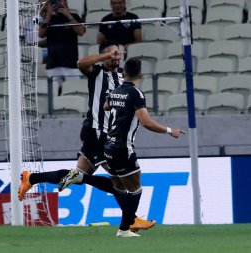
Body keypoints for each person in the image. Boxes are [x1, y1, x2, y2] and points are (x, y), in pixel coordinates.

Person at [19, 41, 155, 232]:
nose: (114, 55)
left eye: (116, 52)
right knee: (119, 181)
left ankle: (31, 178)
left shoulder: (124, 77)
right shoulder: (97, 72)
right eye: (109, 52)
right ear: (103, 55)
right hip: (98, 132)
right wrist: (106, 56)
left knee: (82, 176)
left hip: (107, 134)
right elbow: (81, 63)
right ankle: (131, 220)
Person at [59, 58, 186, 237]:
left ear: (123, 73)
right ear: (141, 75)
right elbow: (146, 122)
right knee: (136, 189)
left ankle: (81, 177)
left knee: (118, 186)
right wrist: (169, 130)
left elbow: (106, 105)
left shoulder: (115, 91)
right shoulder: (136, 94)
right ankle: (125, 228)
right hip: (123, 148)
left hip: (108, 146)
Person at [39, 0, 85, 96]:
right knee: (52, 95)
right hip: (53, 64)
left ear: (66, 3)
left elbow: (81, 32)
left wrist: (68, 15)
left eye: (62, 1)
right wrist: (48, 14)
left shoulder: (74, 17)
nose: (59, 3)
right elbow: (41, 34)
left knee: (73, 93)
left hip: (71, 64)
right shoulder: (49, 19)